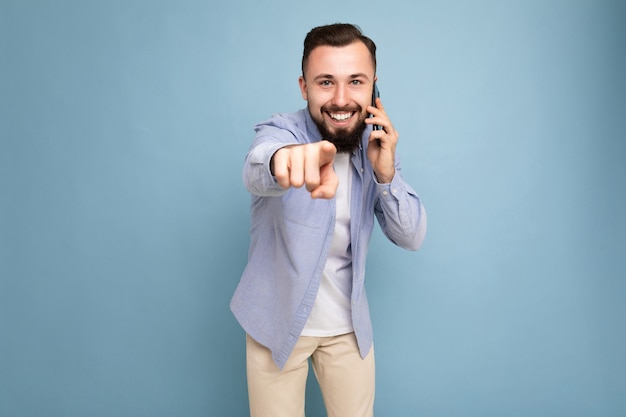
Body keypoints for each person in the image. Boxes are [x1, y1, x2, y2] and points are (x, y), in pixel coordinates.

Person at [230, 23, 427, 417]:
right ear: (304, 88)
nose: (341, 99)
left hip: (347, 327)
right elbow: (258, 166)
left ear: (373, 88)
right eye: (325, 82)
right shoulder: (281, 132)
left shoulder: (375, 145)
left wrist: (386, 175)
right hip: (276, 320)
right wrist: (283, 161)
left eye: (356, 81)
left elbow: (411, 237)